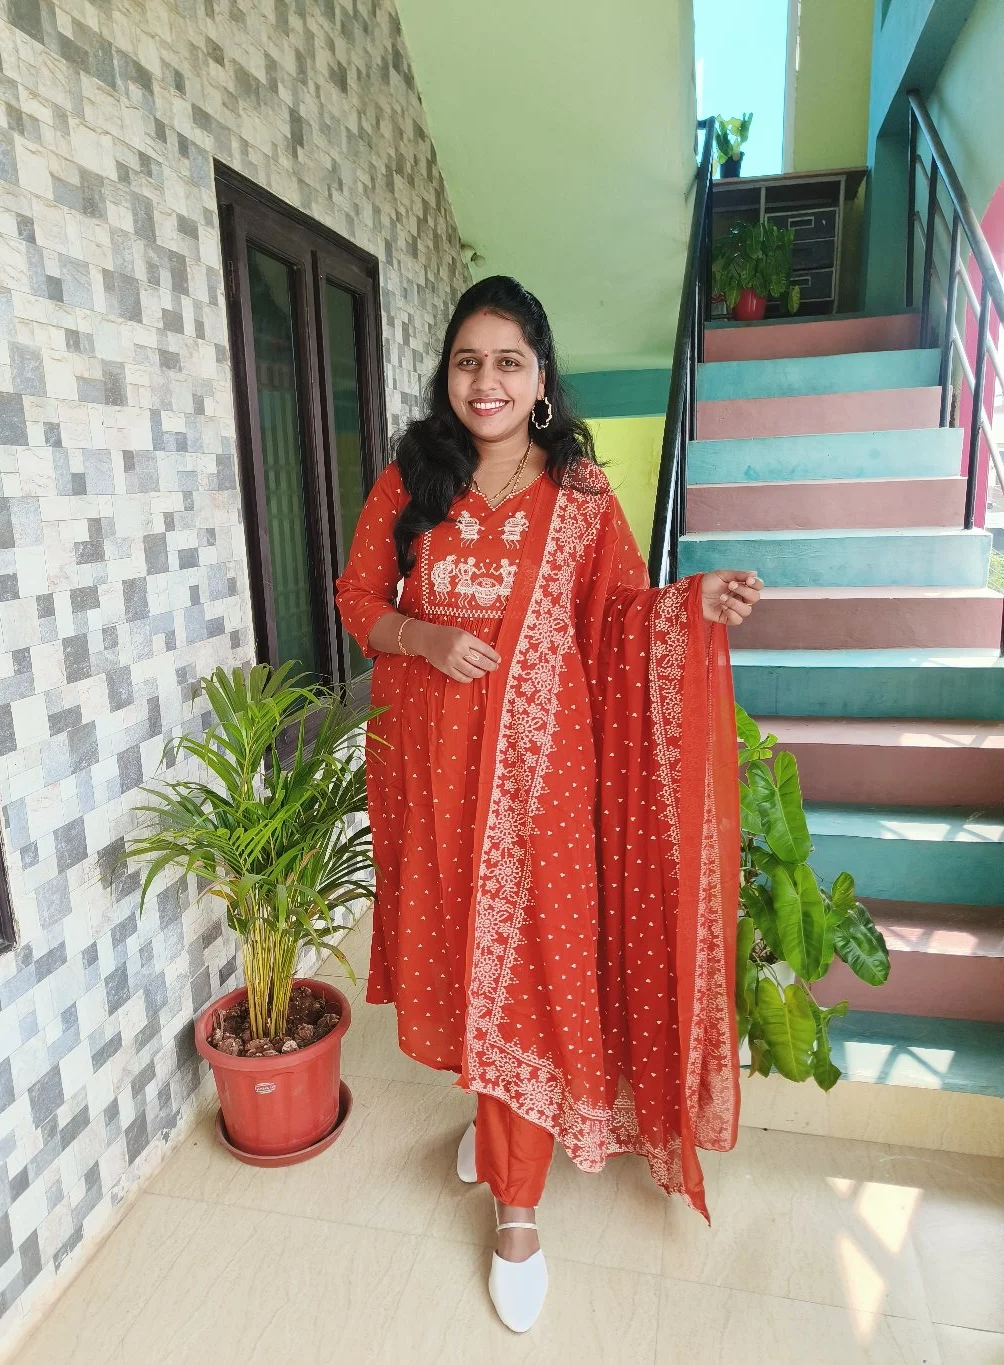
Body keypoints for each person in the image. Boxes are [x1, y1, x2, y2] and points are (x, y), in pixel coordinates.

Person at [334, 276, 763, 1333]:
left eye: (508, 361)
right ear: (448, 377)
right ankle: (494, 1131)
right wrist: (422, 637)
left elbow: (614, 618)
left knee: (524, 978)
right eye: (467, 361)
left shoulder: (576, 495)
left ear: (540, 379)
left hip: (540, 790)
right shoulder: (410, 480)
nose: (485, 380)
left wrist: (686, 604)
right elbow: (355, 600)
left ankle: (518, 1212)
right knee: (459, 962)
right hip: (431, 779)